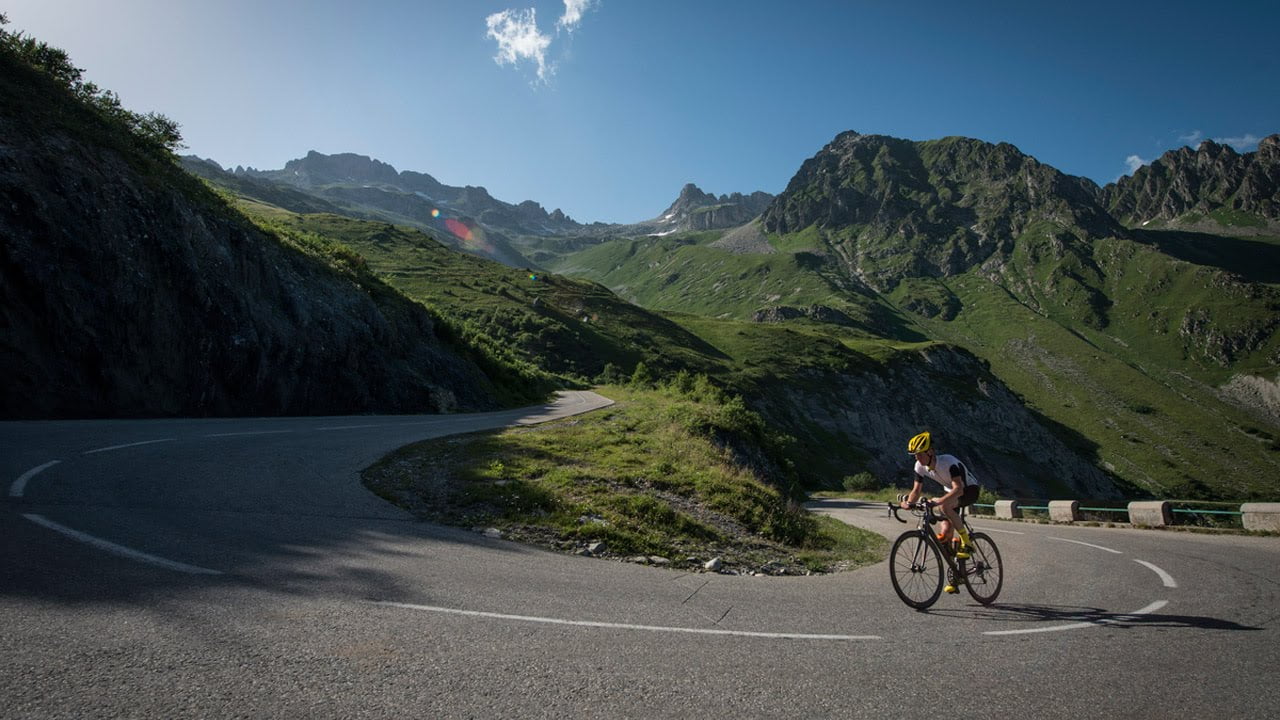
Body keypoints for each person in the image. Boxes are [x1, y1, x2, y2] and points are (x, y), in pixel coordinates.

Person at [899, 431, 980, 593]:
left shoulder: (948, 462)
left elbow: (959, 489)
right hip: (951, 493)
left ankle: (967, 543)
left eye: (920, 454)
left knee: (945, 507)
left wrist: (939, 501)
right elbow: (916, 490)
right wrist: (908, 503)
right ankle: (957, 576)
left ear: (930, 452)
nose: (917, 458)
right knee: (944, 537)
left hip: (969, 490)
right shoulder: (919, 466)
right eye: (915, 455)